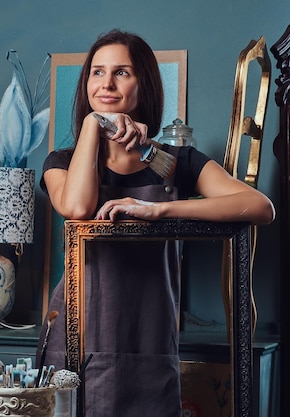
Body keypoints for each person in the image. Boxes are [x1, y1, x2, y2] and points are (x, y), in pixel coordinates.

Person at [37, 29, 275, 417]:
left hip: (148, 337)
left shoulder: (172, 162)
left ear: (143, 83)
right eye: (97, 73)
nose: (106, 83)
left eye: (121, 72)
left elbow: (259, 207)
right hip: (76, 332)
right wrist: (94, 126)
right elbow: (78, 208)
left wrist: (159, 212)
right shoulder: (62, 161)